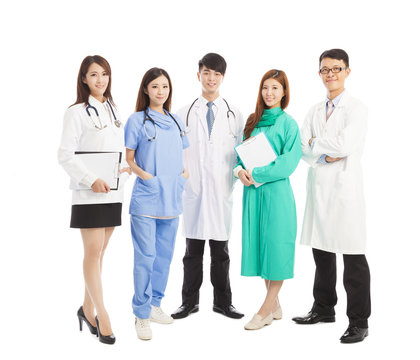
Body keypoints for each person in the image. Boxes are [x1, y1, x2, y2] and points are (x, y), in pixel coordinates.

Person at [293, 49, 370, 344]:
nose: (330, 74)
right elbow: (302, 147)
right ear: (319, 73)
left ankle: (359, 321)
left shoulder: (357, 108)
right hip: (319, 187)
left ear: (347, 71)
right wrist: (323, 155)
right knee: (321, 254)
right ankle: (323, 308)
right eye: (325, 70)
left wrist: (317, 144)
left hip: (345, 192)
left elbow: (346, 144)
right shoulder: (314, 110)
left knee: (353, 258)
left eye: (336, 69)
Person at [58, 55, 130, 345]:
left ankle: (86, 309)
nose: (100, 80)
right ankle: (102, 314)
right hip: (88, 194)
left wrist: (120, 177)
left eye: (105, 74)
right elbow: (64, 155)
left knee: (101, 253)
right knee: (92, 252)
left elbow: (120, 153)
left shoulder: (114, 109)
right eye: (94, 75)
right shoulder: (75, 112)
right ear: (84, 79)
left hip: (113, 193)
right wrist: (92, 180)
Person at [171, 53, 244, 320]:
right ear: (198, 75)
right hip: (194, 192)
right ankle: (188, 302)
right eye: (206, 73)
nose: (211, 78)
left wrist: (233, 179)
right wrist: (183, 181)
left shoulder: (234, 114)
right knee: (192, 253)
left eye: (216, 74)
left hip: (221, 192)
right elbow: (176, 152)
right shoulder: (184, 113)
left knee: (221, 253)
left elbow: (240, 154)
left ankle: (223, 303)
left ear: (223, 77)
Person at [125, 67, 189, 341]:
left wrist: (183, 176)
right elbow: (129, 160)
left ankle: (154, 305)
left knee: (163, 257)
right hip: (147, 197)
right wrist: (147, 177)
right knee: (145, 257)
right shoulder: (137, 120)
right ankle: (140, 314)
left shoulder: (176, 120)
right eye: (155, 87)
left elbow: (181, 155)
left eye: (165, 87)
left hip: (171, 196)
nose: (160, 91)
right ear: (145, 90)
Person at [234, 70, 301, 330]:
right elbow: (239, 157)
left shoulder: (289, 124)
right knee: (262, 250)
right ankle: (275, 305)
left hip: (277, 196)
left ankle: (263, 311)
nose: (269, 93)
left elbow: (288, 163)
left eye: (275, 88)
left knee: (277, 250)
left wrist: (257, 172)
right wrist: (240, 172)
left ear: (284, 92)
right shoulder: (253, 121)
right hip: (253, 195)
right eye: (265, 88)